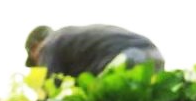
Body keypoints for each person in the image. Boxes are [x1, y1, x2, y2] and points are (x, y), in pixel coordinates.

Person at [24, 25, 165, 77]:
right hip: (153, 55)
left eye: (35, 61)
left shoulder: (48, 45)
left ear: (35, 47)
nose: (38, 66)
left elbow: (51, 90)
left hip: (127, 58)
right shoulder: (66, 39)